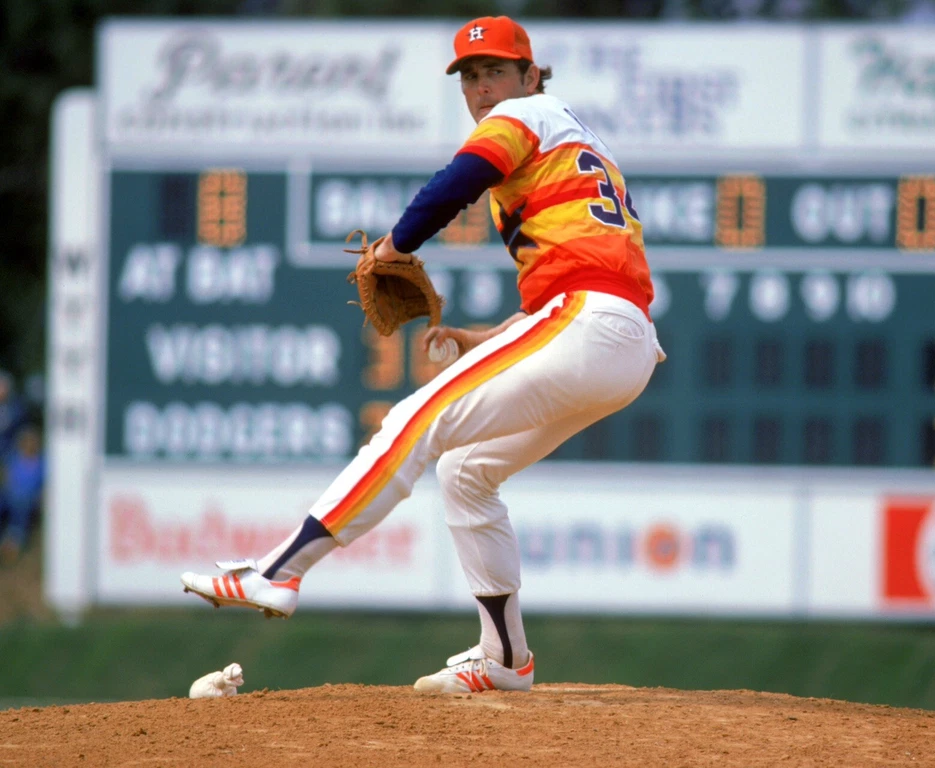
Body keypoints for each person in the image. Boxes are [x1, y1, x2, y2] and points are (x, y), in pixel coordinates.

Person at [181, 15, 665, 694]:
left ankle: (280, 570)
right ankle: (504, 658)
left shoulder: (525, 115)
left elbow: (458, 180)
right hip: (621, 340)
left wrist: (397, 242)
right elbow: (584, 267)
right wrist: (489, 337)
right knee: (467, 470)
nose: (481, 86)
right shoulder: (574, 142)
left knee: (414, 419)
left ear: (530, 75)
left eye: (495, 69)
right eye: (469, 75)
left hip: (590, 322)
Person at [0, 425, 45, 565]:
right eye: (26, 442)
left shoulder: (42, 462)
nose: (29, 445)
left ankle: (13, 543)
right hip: (11, 495)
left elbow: (43, 485)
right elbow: (7, 480)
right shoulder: (14, 459)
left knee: (20, 506)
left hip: (29, 498)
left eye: (31, 442)